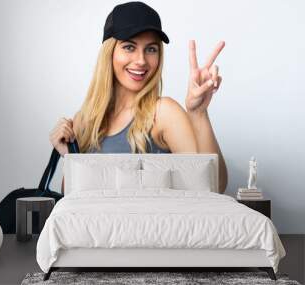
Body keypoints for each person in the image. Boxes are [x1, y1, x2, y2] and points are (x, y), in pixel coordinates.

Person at [49, 1, 228, 194]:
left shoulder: (163, 113)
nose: (141, 60)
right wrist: (69, 156)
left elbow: (213, 186)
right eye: (129, 47)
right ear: (110, 53)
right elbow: (73, 200)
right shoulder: (84, 121)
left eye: (151, 49)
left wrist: (198, 113)